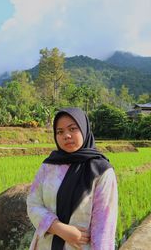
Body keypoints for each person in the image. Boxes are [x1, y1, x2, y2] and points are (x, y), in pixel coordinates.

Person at [27, 107, 118, 250]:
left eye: (72, 129)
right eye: (60, 132)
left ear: (84, 129)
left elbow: (104, 228)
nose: (66, 135)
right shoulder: (49, 165)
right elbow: (33, 204)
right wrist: (60, 229)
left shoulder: (101, 171)